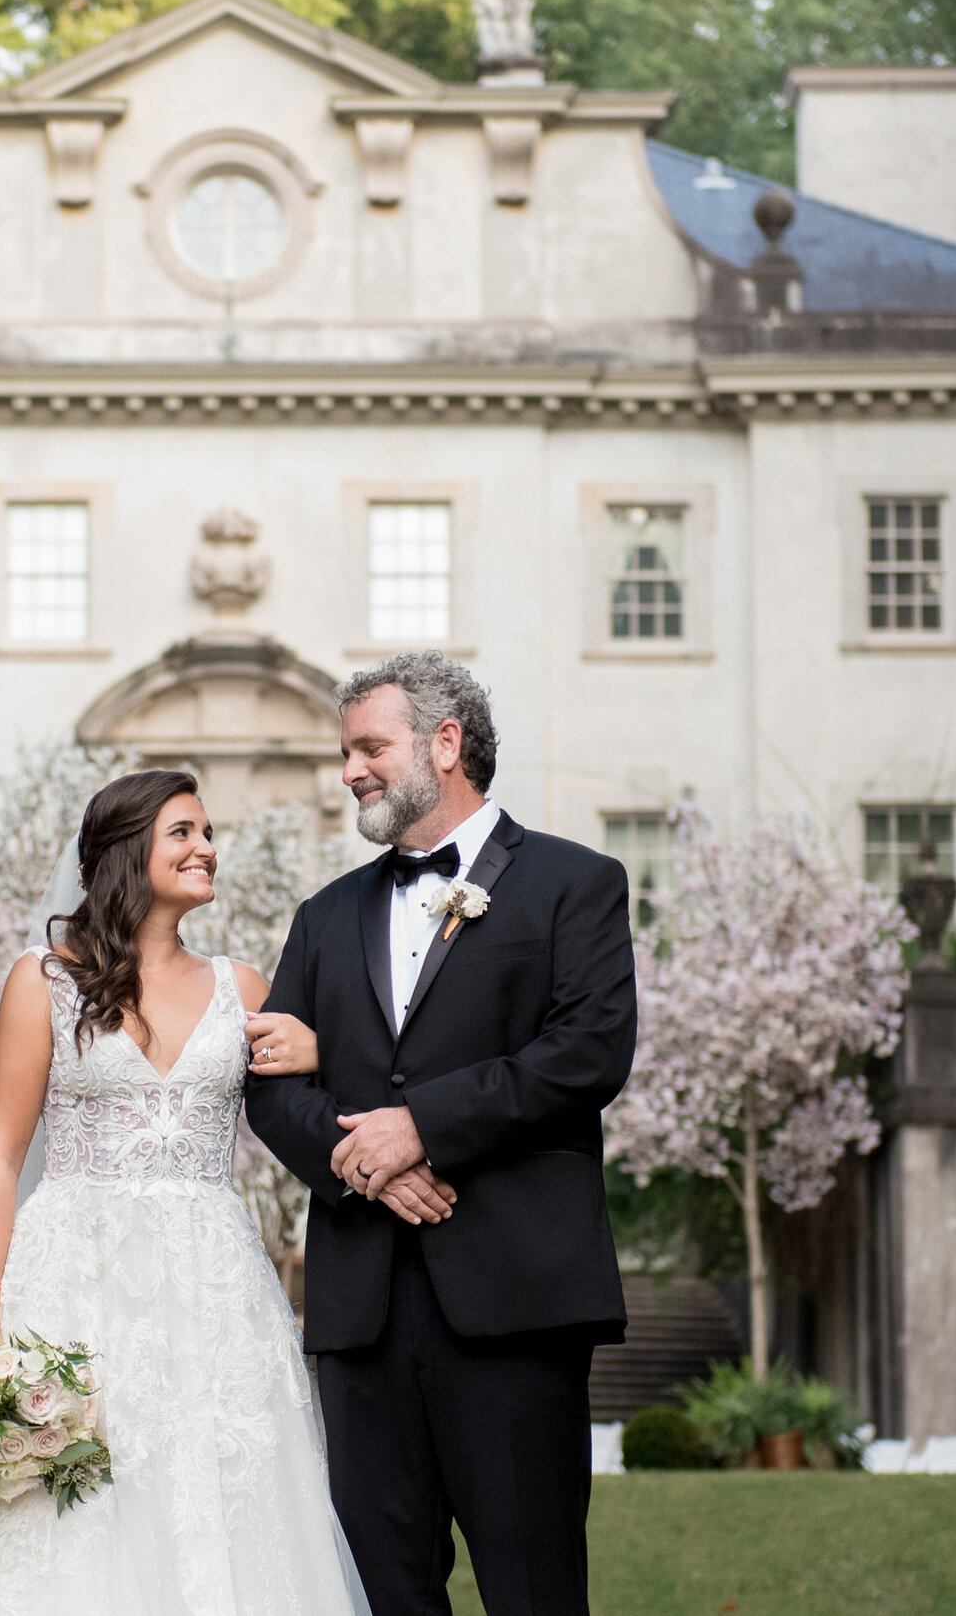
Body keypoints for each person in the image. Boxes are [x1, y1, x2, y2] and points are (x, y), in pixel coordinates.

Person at [0, 769, 371, 1616]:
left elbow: (317, 1106)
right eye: (184, 833)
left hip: (210, 1290)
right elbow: (0, 1160)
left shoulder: (243, 989)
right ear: (129, 853)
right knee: (60, 1516)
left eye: (207, 832)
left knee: (218, 1499)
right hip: (71, 1280)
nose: (207, 848)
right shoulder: (43, 979)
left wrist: (318, 1050)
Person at [243, 652, 638, 1616]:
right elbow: (266, 1084)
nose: (350, 771)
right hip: (361, 1315)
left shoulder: (574, 884)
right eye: (346, 753)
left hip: (514, 1303)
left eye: (370, 747)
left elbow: (588, 1052)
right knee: (383, 1594)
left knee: (533, 1592)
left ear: (445, 743)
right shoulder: (323, 917)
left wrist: (421, 1127)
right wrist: (367, 1166)